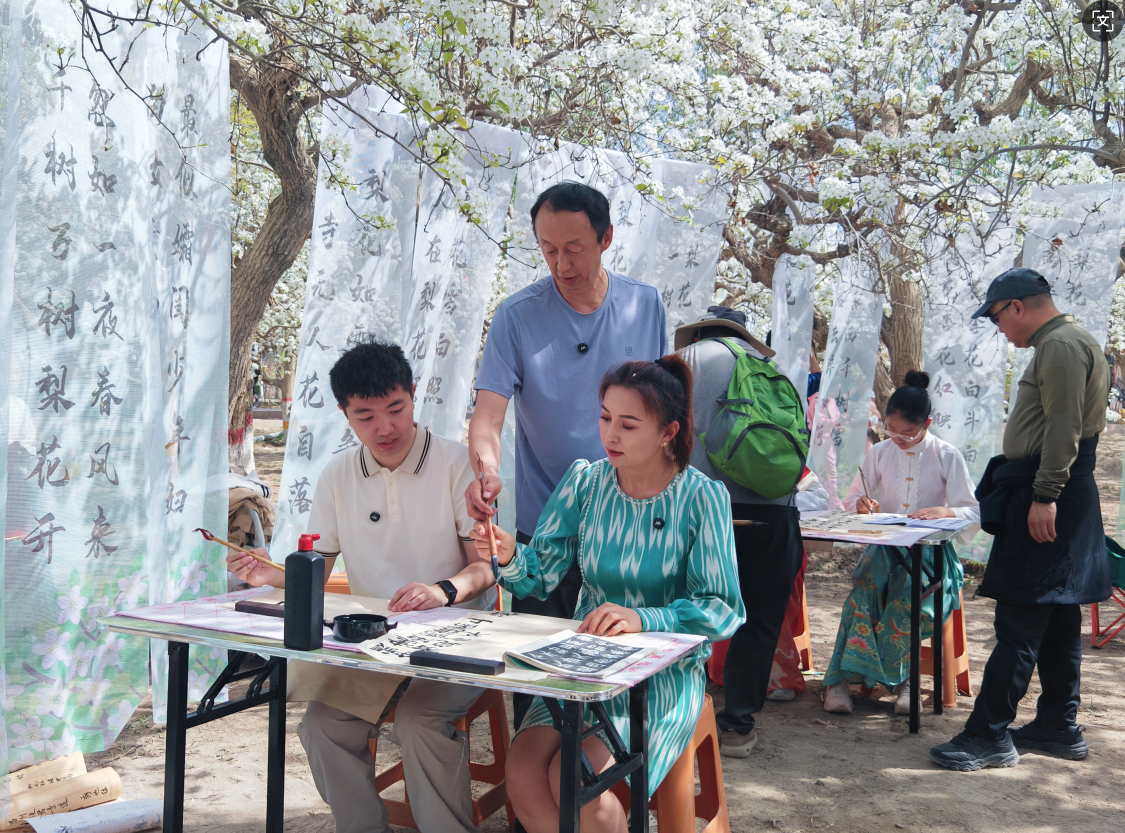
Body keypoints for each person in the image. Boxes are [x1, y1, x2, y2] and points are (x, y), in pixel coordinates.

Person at [227, 340, 496, 833]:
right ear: (344, 414)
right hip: (377, 642)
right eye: (366, 416)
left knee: (420, 723)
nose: (385, 427)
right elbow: (318, 569)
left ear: (414, 396)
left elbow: (486, 568)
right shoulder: (338, 475)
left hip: (461, 636)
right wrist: (269, 574)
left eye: (396, 409)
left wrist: (443, 591)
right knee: (322, 727)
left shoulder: (457, 464)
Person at [469, 356, 744, 833]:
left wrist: (645, 618)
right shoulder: (587, 483)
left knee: (576, 778)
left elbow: (721, 609)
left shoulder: (701, 497)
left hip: (660, 674)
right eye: (604, 417)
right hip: (583, 661)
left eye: (628, 424)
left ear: (667, 432)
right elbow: (541, 575)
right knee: (523, 770)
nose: (610, 434)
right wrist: (511, 555)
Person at [468, 181, 667, 728]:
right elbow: (488, 415)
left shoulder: (644, 304)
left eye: (574, 247)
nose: (561, 263)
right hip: (545, 531)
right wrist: (485, 471)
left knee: (619, 672)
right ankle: (535, 805)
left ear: (605, 238)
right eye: (548, 249)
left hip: (631, 523)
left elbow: (664, 410)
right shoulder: (517, 316)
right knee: (539, 680)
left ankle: (610, 791)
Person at [930, 269, 1112, 771]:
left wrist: (1044, 494)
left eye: (996, 317)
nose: (999, 329)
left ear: (1015, 306)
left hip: (1049, 488)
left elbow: (1064, 427)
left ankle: (987, 734)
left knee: (1020, 617)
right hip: (1052, 486)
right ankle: (1058, 725)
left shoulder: (1059, 345)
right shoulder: (1066, 342)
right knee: (1057, 616)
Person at [675, 306, 804, 757]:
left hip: (699, 506)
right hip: (774, 514)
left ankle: (679, 714)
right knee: (760, 619)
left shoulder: (681, 364)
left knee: (683, 610)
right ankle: (736, 726)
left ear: (697, 333)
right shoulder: (772, 371)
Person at [820, 371, 979, 716]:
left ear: (928, 423)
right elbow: (855, 498)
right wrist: (862, 504)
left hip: (933, 555)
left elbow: (975, 510)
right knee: (863, 588)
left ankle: (906, 681)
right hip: (885, 548)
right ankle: (839, 681)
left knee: (907, 590)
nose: (899, 438)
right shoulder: (879, 452)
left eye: (908, 432)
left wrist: (946, 510)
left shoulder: (946, 455)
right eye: (892, 430)